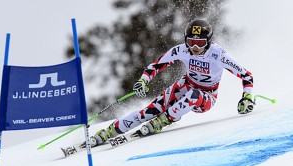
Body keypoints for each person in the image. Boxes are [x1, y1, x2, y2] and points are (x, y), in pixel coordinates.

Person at [83, 19, 255, 148]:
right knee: (149, 111)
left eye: (200, 43)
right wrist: (143, 80)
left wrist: (247, 97)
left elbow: (246, 75)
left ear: (208, 42)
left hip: (207, 96)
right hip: (185, 85)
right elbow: (156, 66)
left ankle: (164, 120)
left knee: (192, 96)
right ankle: (111, 130)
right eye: (191, 42)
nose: (195, 47)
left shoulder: (219, 55)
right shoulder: (181, 50)